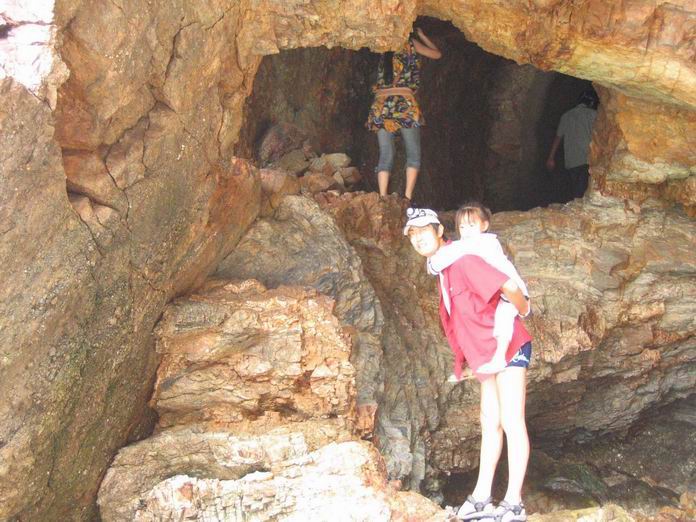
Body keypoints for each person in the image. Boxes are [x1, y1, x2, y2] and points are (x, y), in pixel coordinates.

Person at [404, 207, 532, 522]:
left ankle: (514, 503)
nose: (418, 238)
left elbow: (509, 287)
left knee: (512, 421)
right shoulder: (445, 268)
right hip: (485, 356)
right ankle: (481, 498)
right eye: (412, 234)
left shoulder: (463, 260)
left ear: (439, 231)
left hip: (509, 348)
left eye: (424, 231)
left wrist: (523, 310)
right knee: (490, 422)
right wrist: (463, 363)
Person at [426, 202, 530, 379]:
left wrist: (432, 264)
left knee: (503, 320)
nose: (466, 231)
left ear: (484, 225)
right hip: (501, 291)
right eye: (462, 227)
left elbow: (447, 256)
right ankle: (478, 365)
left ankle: (499, 357)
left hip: (512, 292)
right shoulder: (469, 245)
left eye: (471, 225)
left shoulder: (484, 243)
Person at [366, 27, 441, 202]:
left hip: (381, 106)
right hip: (404, 104)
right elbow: (437, 54)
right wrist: (422, 35)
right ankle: (407, 198)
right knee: (413, 154)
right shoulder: (410, 43)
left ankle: (383, 197)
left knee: (385, 153)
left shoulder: (382, 45)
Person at [546, 88, 599, 199]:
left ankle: (577, 203)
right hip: (587, 159)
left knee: (576, 189)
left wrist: (551, 158)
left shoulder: (566, 116)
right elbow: (599, 136)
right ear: (592, 102)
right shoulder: (593, 114)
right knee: (585, 191)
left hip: (571, 160)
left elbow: (558, 138)